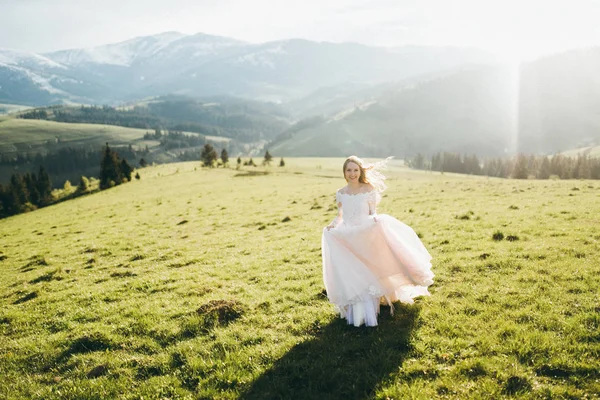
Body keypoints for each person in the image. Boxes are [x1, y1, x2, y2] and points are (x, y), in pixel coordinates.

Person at [321, 155, 434, 327]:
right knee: (356, 270)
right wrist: (332, 226)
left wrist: (375, 220)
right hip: (349, 234)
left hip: (366, 231)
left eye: (355, 170)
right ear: (344, 172)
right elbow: (340, 216)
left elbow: (373, 212)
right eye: (349, 170)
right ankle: (359, 306)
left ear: (360, 172)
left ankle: (378, 300)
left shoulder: (368, 188)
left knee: (374, 266)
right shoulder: (341, 193)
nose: (352, 173)